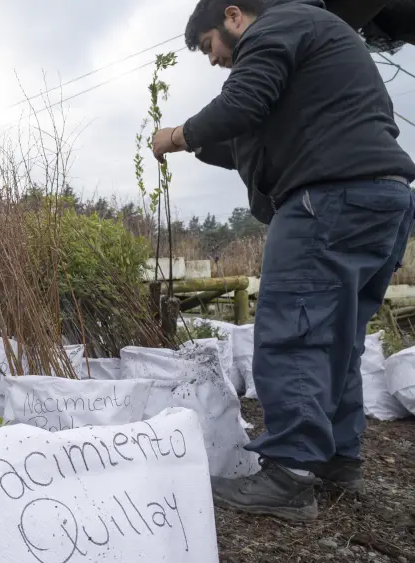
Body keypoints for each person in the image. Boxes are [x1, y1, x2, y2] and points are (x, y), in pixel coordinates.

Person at [152, 0, 415, 522]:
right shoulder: (310, 54)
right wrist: (198, 147)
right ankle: (339, 460)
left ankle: (289, 477)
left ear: (233, 16)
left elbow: (241, 105)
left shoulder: (280, 25)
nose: (212, 61)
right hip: (382, 198)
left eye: (209, 47)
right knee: (339, 336)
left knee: (290, 332)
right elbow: (247, 135)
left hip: (328, 200)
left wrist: (176, 135)